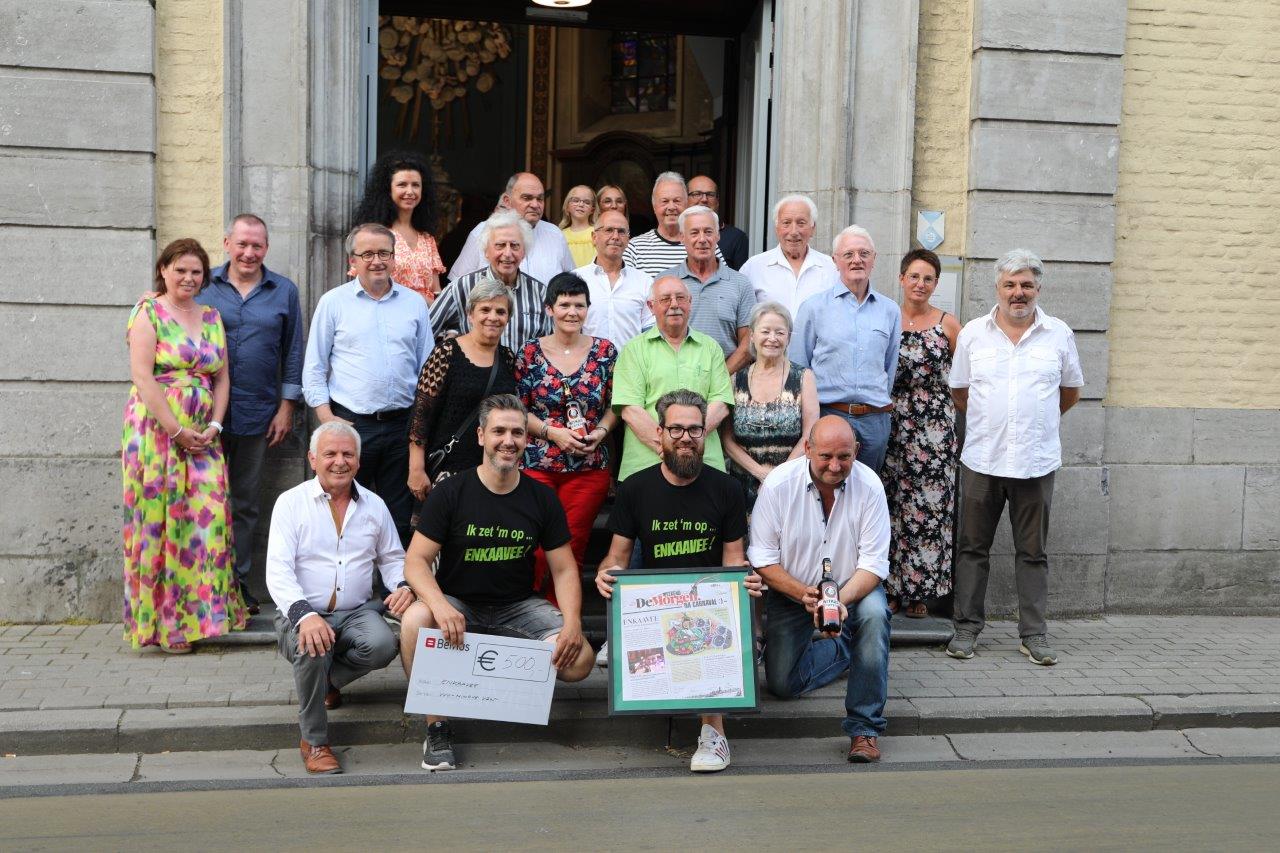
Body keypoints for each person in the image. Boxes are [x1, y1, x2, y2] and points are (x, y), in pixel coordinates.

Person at [399, 395, 595, 771]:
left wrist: (572, 623)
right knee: (414, 620)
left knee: (580, 661)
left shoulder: (541, 498)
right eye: (499, 431)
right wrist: (440, 605)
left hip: (517, 606)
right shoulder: (451, 492)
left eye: (517, 433)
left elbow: (565, 570)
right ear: (481, 436)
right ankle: (437, 726)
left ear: (527, 440)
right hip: (459, 603)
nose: (508, 440)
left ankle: (503, 688)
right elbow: (416, 562)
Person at [595, 390, 760, 772]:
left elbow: (733, 559)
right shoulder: (635, 488)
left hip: (708, 604)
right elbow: (617, 558)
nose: (686, 437)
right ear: (660, 433)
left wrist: (744, 583)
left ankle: (714, 735)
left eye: (694, 430)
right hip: (657, 606)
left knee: (713, 628)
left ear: (705, 433)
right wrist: (606, 575)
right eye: (676, 429)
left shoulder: (727, 489)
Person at [946, 249, 1083, 666]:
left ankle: (1033, 634)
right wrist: (993, 423)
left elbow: (1070, 391)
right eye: (1010, 284)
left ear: (1038, 288)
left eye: (1026, 284)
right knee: (972, 548)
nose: (1018, 292)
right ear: (998, 288)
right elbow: (960, 391)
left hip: (1035, 462)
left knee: (1033, 553)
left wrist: (1035, 423)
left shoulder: (1058, 334)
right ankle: (966, 628)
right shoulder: (974, 333)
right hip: (982, 460)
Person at [265, 421, 414, 774]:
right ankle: (314, 741)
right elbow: (278, 570)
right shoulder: (290, 503)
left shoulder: (375, 505)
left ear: (359, 461)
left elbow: (392, 558)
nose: (339, 461)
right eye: (330, 453)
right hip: (301, 613)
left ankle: (326, 682)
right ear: (312, 459)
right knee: (313, 645)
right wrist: (305, 615)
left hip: (356, 612)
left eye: (348, 454)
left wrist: (402, 586)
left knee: (382, 645)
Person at [122, 238, 246, 652]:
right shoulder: (148, 312)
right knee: (162, 522)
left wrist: (215, 424)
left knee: (207, 520)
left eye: (196, 272)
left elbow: (222, 377)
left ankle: (205, 616)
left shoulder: (211, 316)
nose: (188, 278)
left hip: (204, 435)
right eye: (180, 270)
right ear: (163, 270)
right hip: (156, 432)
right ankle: (168, 626)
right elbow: (142, 377)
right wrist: (176, 430)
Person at [749, 415, 892, 763]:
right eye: (826, 456)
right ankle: (847, 649)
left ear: (857, 450)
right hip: (793, 590)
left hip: (851, 588)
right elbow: (762, 558)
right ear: (808, 449)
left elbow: (874, 563)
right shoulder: (778, 484)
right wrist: (803, 594)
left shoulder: (870, 486)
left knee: (875, 614)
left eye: (844, 456)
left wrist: (837, 601)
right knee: (783, 684)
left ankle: (864, 728)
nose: (835, 466)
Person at [197, 213, 304, 614]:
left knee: (244, 503)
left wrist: (287, 406)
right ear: (227, 243)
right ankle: (203, 589)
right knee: (202, 501)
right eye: (242, 244)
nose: (248, 252)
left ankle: (237, 586)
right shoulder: (203, 284)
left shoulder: (283, 291)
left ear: (266, 248)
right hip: (202, 415)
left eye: (257, 245)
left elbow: (293, 351)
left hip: (258, 413)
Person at [302, 223, 434, 547]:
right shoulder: (333, 303)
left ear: (394, 258)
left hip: (401, 426)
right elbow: (314, 368)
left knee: (397, 517)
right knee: (343, 509)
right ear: (353, 261)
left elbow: (428, 370)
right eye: (368, 254)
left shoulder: (415, 303)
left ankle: (394, 579)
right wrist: (328, 420)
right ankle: (345, 577)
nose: (377, 261)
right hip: (351, 424)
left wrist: (420, 427)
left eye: (384, 253)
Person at [515, 273, 619, 599]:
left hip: (588, 468)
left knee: (572, 545)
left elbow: (617, 404)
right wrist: (553, 433)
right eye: (564, 305)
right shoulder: (529, 352)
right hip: (537, 464)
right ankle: (528, 614)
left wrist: (601, 431)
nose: (572, 312)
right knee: (534, 546)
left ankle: (562, 619)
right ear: (550, 309)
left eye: (579, 305)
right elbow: (518, 409)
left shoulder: (605, 351)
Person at [880, 249, 962, 618]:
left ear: (936, 284)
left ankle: (920, 593)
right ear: (901, 278)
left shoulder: (949, 325)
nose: (920, 284)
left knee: (928, 509)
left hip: (934, 432)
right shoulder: (886, 318)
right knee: (891, 505)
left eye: (928, 278)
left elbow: (967, 377)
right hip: (892, 425)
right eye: (914, 276)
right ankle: (889, 588)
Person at [790, 225, 901, 473]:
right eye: (848, 254)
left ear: (874, 259)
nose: (856, 260)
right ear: (835, 260)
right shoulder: (813, 308)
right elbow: (798, 368)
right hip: (828, 416)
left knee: (867, 488)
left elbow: (889, 366)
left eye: (864, 253)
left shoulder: (890, 310)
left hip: (874, 421)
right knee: (825, 486)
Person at [612, 275, 734, 483]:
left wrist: (689, 442)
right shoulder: (633, 350)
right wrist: (669, 448)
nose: (674, 304)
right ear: (651, 306)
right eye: (665, 299)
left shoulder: (711, 348)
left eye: (680, 298)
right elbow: (630, 409)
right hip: (646, 465)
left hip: (704, 463)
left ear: (690, 302)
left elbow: (721, 403)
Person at [408, 279, 518, 499]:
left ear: (508, 318)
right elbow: (421, 414)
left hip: (493, 470)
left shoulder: (507, 358)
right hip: (449, 468)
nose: (493, 317)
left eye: (500, 311)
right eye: (485, 310)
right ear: (470, 314)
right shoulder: (446, 354)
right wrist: (416, 468)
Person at [721, 301, 818, 511]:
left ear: (788, 337)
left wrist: (778, 476)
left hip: (791, 484)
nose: (772, 338)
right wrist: (760, 473)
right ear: (752, 336)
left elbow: (810, 434)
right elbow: (727, 439)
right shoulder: (735, 380)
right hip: (743, 487)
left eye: (780, 332)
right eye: (765, 331)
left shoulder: (804, 378)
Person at [430, 211, 550, 351]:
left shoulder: (540, 292)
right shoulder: (462, 287)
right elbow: (426, 331)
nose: (507, 253)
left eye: (514, 245)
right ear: (486, 251)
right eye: (500, 245)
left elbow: (553, 345)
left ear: (524, 252)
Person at [662, 204, 756, 373]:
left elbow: (748, 342)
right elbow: (656, 337)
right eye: (694, 233)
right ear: (682, 237)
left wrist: (719, 377)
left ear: (718, 235)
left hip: (727, 380)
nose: (702, 239)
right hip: (675, 379)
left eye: (708, 232)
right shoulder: (664, 282)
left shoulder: (740, 283)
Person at [352, 150, 446, 302]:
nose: (410, 191)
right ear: (388, 190)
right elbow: (364, 287)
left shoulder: (427, 239)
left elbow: (436, 292)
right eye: (402, 185)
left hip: (426, 315)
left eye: (415, 185)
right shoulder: (374, 236)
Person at [448, 172, 574, 285]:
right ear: (507, 201)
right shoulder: (483, 231)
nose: (535, 204)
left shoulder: (555, 234)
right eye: (527, 198)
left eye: (540, 199)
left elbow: (571, 282)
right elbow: (458, 285)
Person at [740, 194, 838, 316]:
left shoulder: (832, 268)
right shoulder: (753, 267)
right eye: (786, 223)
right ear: (777, 228)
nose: (793, 232)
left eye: (801, 223)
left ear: (813, 228)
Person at [575, 209, 653, 349]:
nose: (615, 236)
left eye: (621, 231)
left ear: (628, 239)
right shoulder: (576, 279)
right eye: (609, 230)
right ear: (594, 237)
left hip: (633, 361)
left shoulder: (645, 282)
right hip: (587, 362)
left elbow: (650, 330)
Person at [622, 171, 724, 277]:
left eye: (677, 201)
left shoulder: (706, 244)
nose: (671, 207)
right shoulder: (634, 248)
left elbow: (725, 281)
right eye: (665, 201)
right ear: (654, 207)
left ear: (686, 204)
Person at [688, 175, 748, 270]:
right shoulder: (676, 234)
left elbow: (740, 277)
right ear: (685, 199)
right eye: (697, 194)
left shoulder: (737, 238)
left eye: (710, 194)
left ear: (717, 201)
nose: (704, 199)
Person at [558, 184, 598, 268]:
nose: (581, 204)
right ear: (567, 206)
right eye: (576, 200)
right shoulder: (560, 234)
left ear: (592, 210)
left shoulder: (597, 233)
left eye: (587, 202)